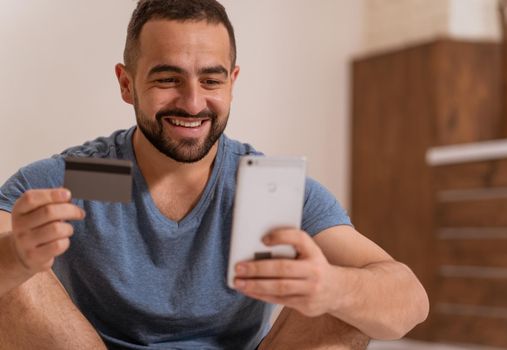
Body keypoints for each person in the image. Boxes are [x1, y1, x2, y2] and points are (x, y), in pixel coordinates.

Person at [0, 0, 429, 349]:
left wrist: (330, 286)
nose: (192, 103)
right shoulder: (83, 178)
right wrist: (16, 257)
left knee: (354, 297)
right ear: (127, 83)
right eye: (168, 78)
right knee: (10, 277)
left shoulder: (263, 187)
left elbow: (410, 301)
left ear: (232, 82)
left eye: (210, 80)